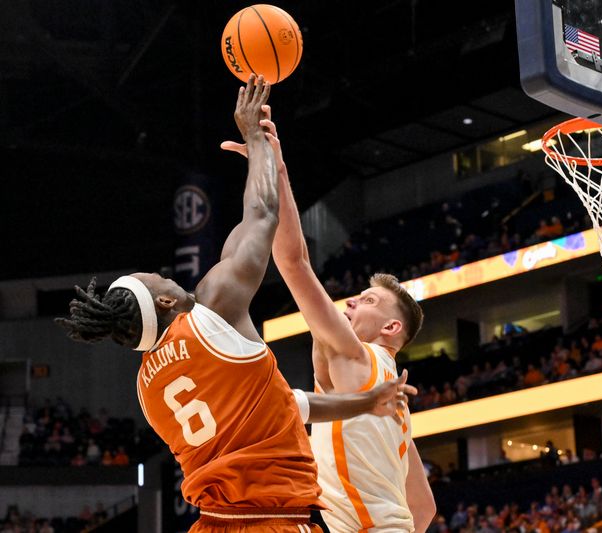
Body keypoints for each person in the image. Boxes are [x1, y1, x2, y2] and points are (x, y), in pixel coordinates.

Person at [56, 75, 416, 533]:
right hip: (272, 520)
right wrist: (258, 142)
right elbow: (262, 215)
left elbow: (288, 406)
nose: (169, 275)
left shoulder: (148, 391)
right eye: (161, 277)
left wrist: (365, 402)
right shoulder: (212, 310)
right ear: (166, 300)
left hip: (213, 522)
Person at [222, 107, 436, 532]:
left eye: (369, 300)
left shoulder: (358, 358)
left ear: (392, 328)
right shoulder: (393, 406)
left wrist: (275, 168)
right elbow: (424, 510)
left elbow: (293, 261)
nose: (353, 301)